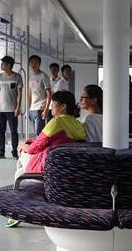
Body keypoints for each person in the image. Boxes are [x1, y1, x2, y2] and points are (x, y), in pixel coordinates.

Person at [7, 91, 86, 227]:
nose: (51, 108)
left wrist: (22, 146)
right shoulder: (78, 124)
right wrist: (31, 142)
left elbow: (34, 148)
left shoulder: (56, 122)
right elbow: (47, 140)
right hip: (67, 166)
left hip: (50, 166)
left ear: (63, 107)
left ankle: (17, 210)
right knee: (21, 166)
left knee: (20, 160)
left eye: (54, 105)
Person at [0, 55, 23, 159]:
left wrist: (18, 107)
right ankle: (1, 151)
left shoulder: (17, 77)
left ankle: (14, 152)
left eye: (3, 63)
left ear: (9, 65)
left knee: (14, 131)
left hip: (12, 110)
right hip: (1, 109)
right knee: (1, 131)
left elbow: (19, 93)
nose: (1, 65)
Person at [26, 55, 52, 137]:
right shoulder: (31, 78)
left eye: (35, 63)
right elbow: (29, 94)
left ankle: (41, 149)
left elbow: (49, 93)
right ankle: (39, 148)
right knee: (36, 133)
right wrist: (28, 109)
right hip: (32, 108)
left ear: (39, 64)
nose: (33, 65)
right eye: (31, 63)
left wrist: (46, 109)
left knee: (39, 133)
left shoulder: (44, 76)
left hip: (40, 108)